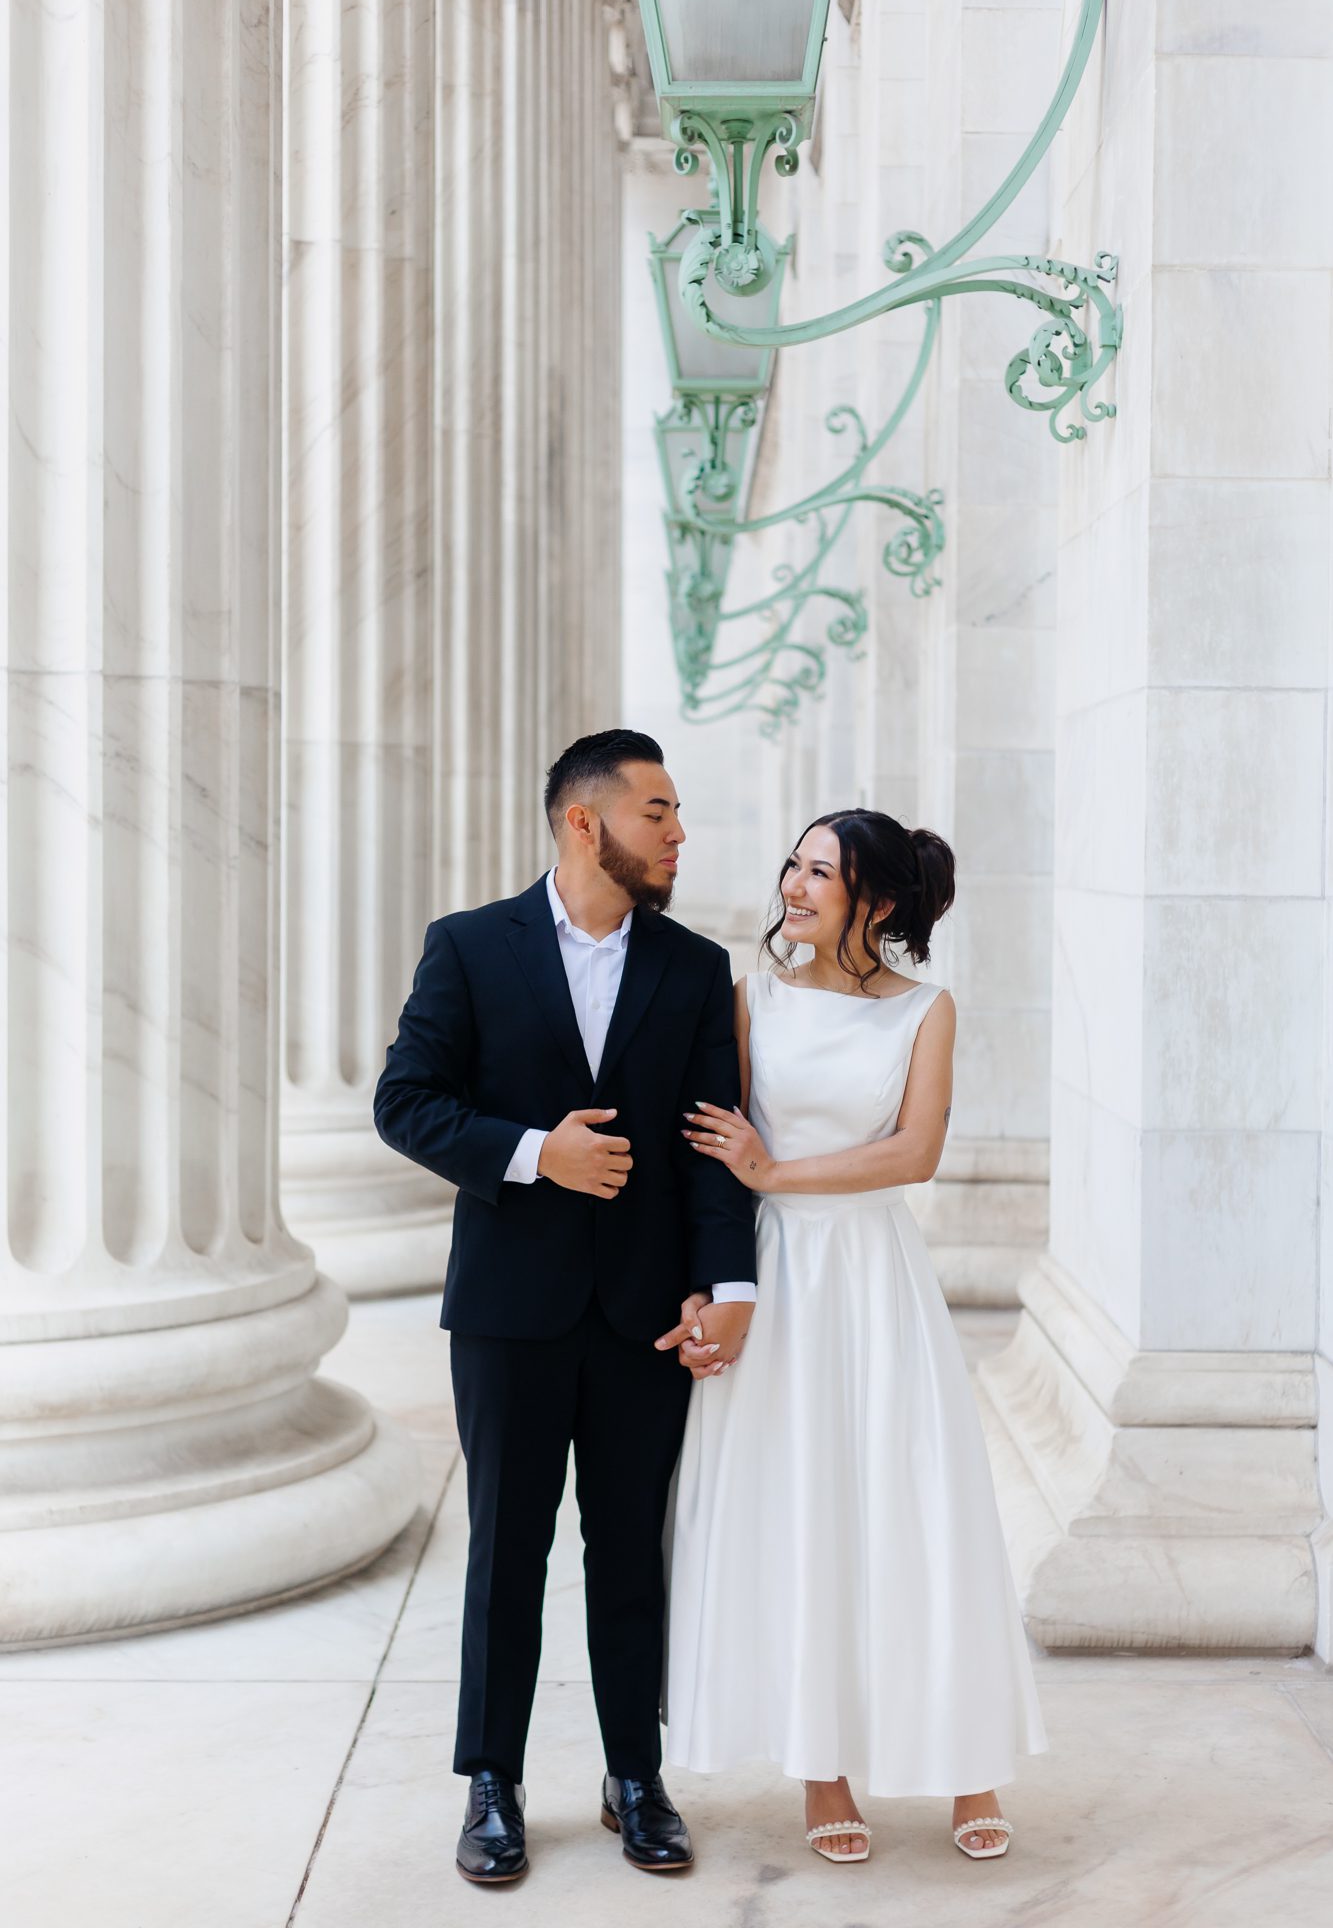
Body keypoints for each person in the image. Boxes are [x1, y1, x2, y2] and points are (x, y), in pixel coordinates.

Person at [374, 730, 756, 1885]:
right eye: (657, 811)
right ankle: (491, 1780)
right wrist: (537, 1152)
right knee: (506, 1548)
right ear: (584, 822)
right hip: (509, 1310)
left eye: (677, 812)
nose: (678, 832)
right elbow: (406, 1101)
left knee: (629, 1548)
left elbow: (711, 1148)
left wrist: (726, 1281)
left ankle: (635, 1773)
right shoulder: (468, 945)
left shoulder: (694, 968)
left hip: (645, 1313)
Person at [658, 808, 1046, 1865]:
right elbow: (712, 1155)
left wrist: (776, 1169)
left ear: (873, 900)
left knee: (914, 1504)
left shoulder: (926, 1009)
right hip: (778, 1275)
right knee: (799, 1510)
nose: (791, 883)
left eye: (818, 871)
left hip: (875, 1275)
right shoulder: (754, 999)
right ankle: (820, 1769)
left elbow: (915, 1152)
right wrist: (709, 1281)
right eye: (793, 862)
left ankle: (967, 1762)